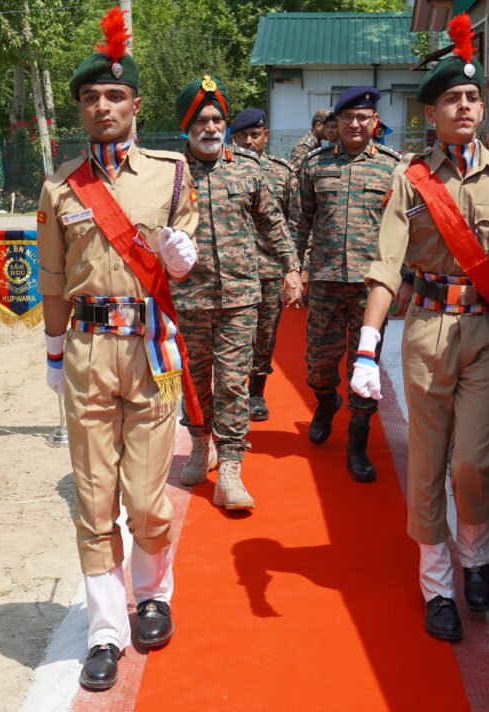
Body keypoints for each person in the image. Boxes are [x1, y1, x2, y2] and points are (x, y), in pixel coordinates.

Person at [350, 15, 489, 642]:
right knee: (429, 465)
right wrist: (368, 348)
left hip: (485, 332)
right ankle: (437, 585)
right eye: (452, 98)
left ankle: (476, 555)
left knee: (475, 463)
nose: (465, 104)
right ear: (431, 113)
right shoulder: (410, 178)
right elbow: (386, 264)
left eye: (473, 96)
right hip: (428, 329)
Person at [36, 8, 201, 691]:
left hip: (151, 349)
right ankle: (106, 630)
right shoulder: (58, 188)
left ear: (135, 104)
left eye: (113, 95)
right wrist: (52, 353)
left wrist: (183, 256)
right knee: (94, 497)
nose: (101, 106)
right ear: (80, 110)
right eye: (89, 98)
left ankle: (153, 592)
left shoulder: (170, 173)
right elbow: (50, 278)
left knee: (146, 497)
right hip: (86, 349)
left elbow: (184, 250)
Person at [172, 77, 304, 509]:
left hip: (240, 298)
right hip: (188, 298)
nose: (211, 127)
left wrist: (291, 269)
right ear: (186, 127)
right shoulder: (170, 174)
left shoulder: (248, 168)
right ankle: (199, 444)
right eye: (201, 121)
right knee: (194, 382)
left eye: (217, 119)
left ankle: (230, 467)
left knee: (232, 382)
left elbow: (272, 222)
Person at [292, 86, 401, 483]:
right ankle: (326, 401)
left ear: (375, 123)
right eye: (347, 117)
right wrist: (293, 269)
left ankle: (358, 440)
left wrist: (402, 278)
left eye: (362, 117)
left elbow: (404, 228)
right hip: (324, 281)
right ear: (335, 123)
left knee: (363, 363)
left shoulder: (394, 167)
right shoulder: (316, 165)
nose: (354, 124)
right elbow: (299, 221)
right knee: (318, 365)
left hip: (371, 288)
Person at [230, 107, 295, 421]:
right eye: (242, 136)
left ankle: (256, 393)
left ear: (265, 136)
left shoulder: (282, 172)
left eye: (254, 135)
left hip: (269, 270)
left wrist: (292, 268)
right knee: (233, 335)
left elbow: (292, 222)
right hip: (234, 270)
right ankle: (234, 390)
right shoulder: (223, 170)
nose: (248, 141)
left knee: (265, 335)